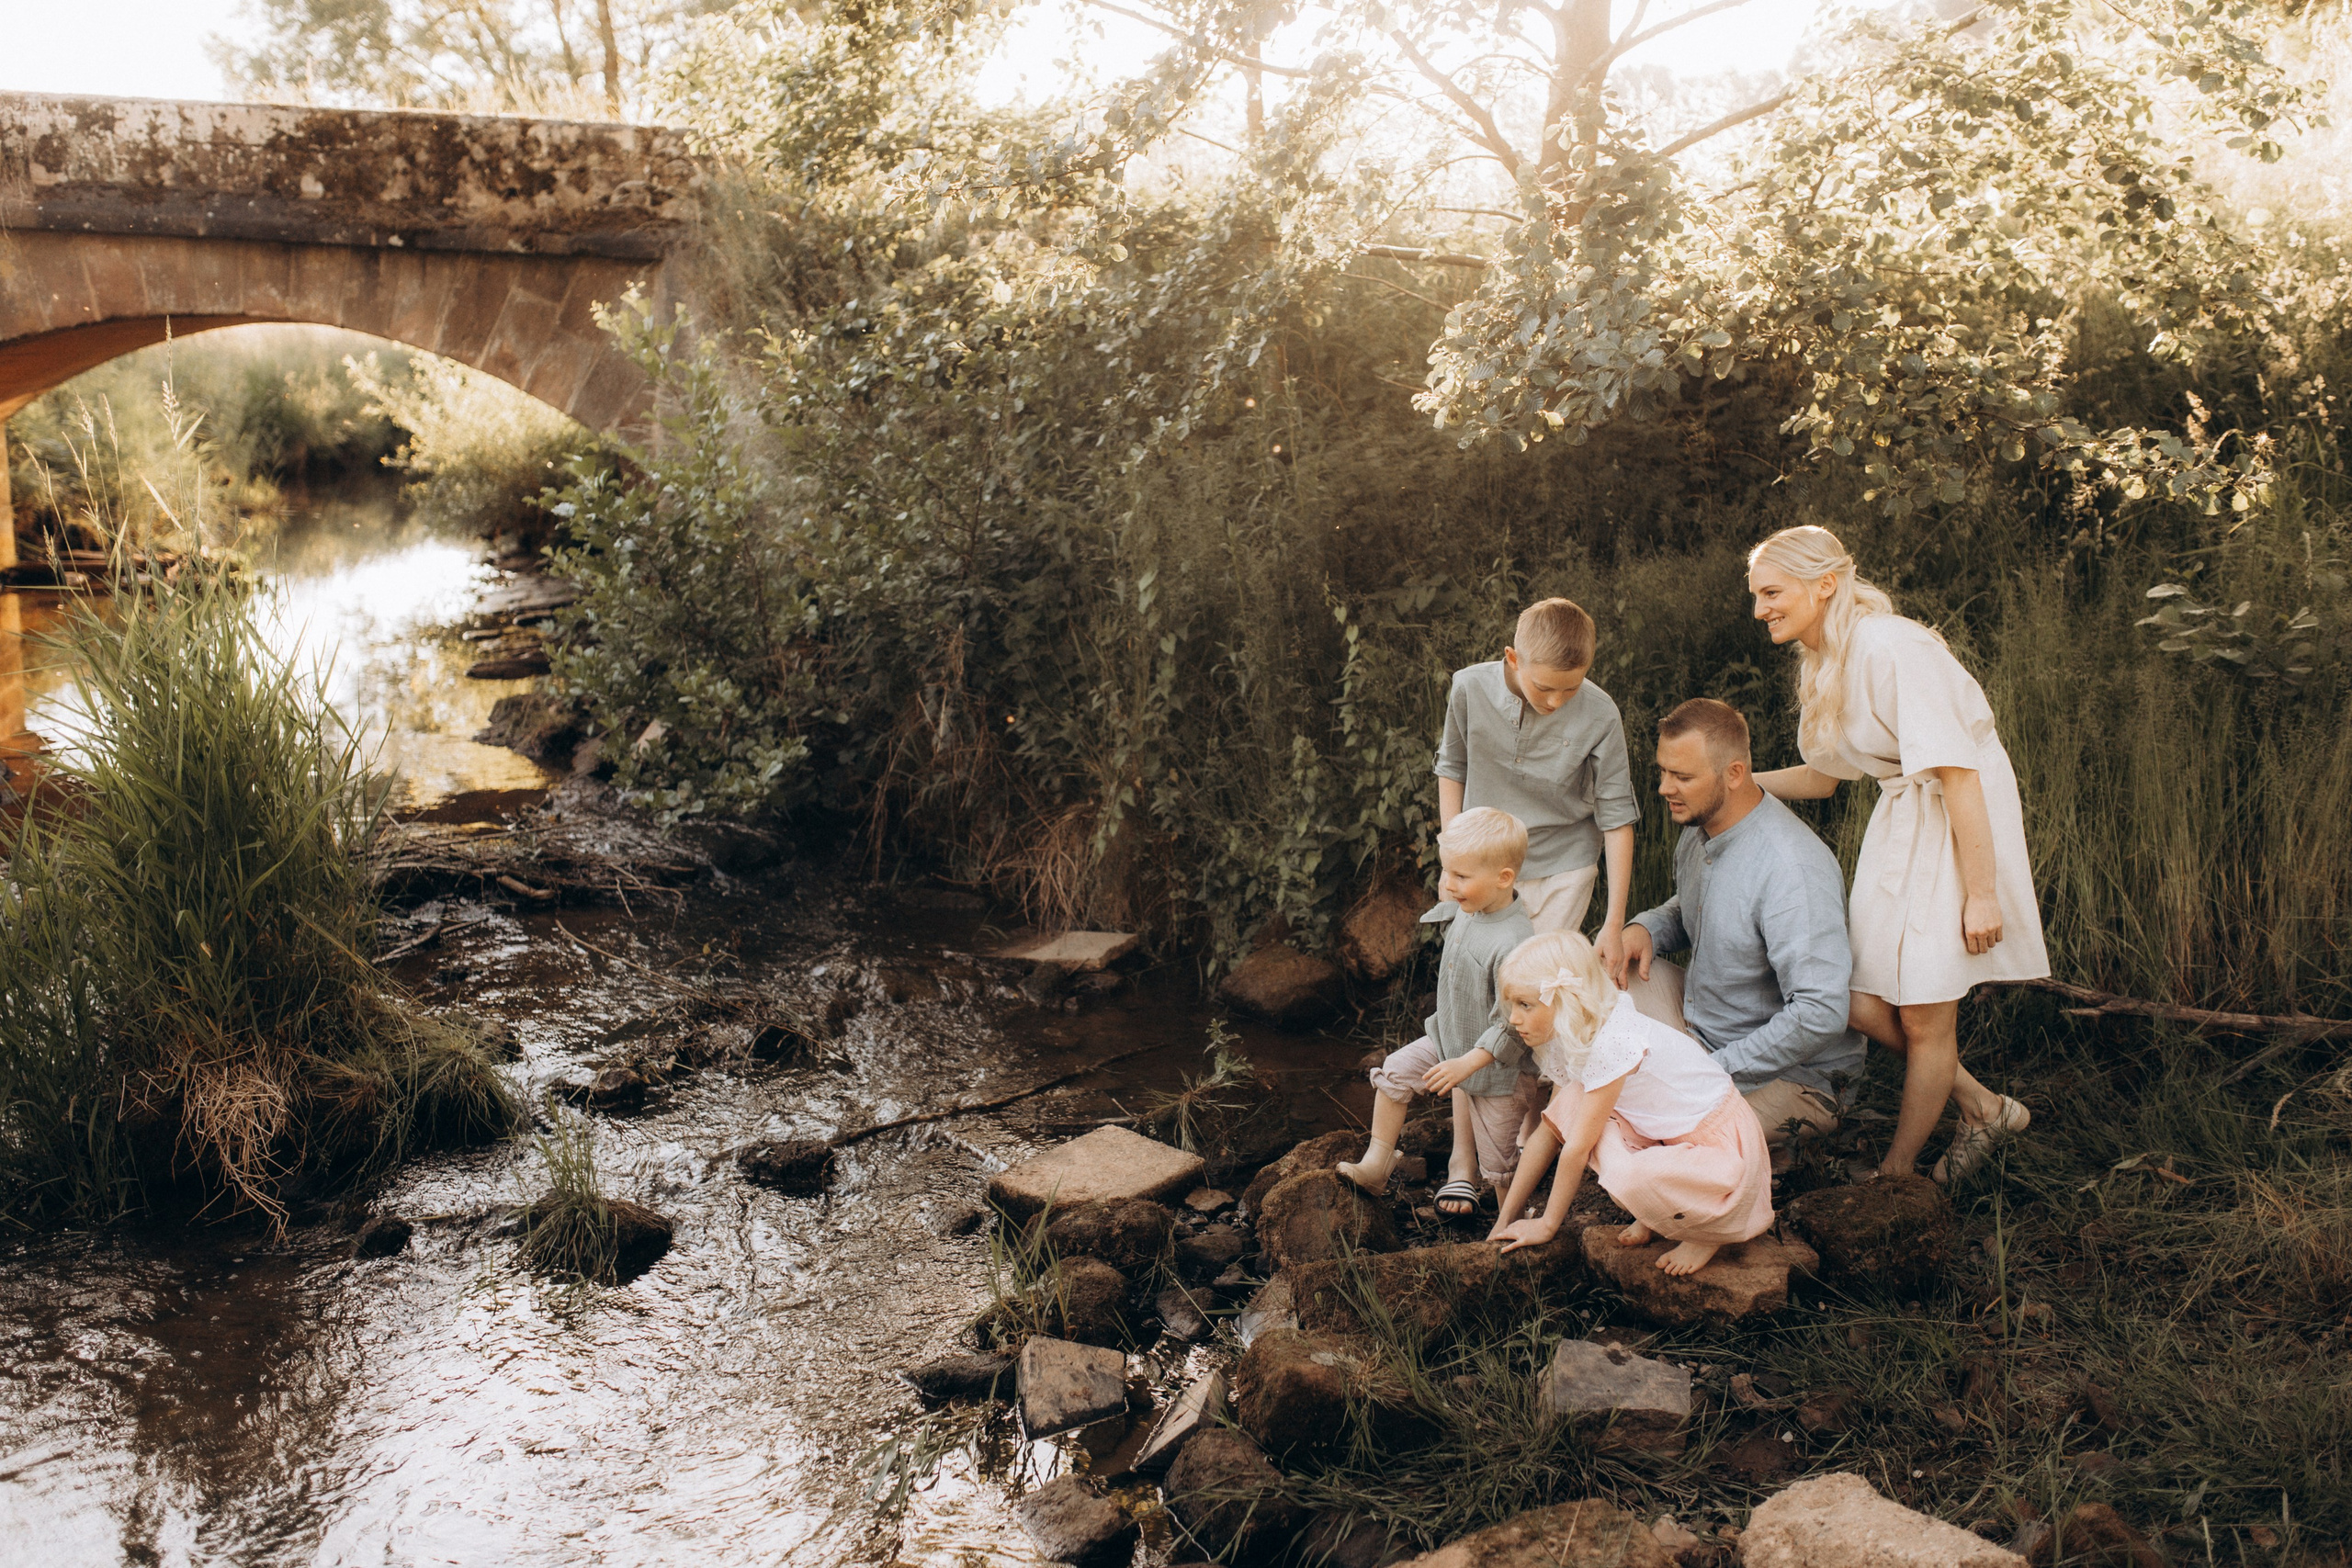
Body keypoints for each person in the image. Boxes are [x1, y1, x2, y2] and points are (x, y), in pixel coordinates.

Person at [1747, 525, 2050, 1182]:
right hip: (1903, 814)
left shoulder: (1891, 647)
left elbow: (1961, 774)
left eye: (1772, 592)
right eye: (1757, 595)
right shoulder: (1822, 663)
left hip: (1955, 813)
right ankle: (1983, 1105)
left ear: (1823, 584)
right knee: (1850, 994)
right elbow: (1822, 779)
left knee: (1926, 1008)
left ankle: (1895, 1175)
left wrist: (1982, 890)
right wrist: (1733, 784)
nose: (1760, 608)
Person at [1612, 698, 1865, 1154]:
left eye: (1683, 777)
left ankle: (1763, 1154)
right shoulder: (1699, 827)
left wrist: (1711, 1070)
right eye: (1663, 772)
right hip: (1705, 1033)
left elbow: (1822, 1010)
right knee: (1604, 982)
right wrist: (1645, 928)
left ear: (1733, 774)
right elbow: (1702, 909)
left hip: (1795, 1079)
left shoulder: (1792, 868)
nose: (1665, 788)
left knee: (1655, 1135)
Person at [1488, 931, 1774, 1275]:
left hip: (1717, 1144)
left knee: (1623, 1174)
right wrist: (1504, 1222)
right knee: (1569, 1108)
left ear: (1565, 1000)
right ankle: (1657, 1213)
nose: (1514, 1018)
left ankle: (1710, 1230)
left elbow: (1576, 1149)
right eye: (1513, 1005)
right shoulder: (1579, 1030)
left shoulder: (1613, 1042)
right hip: (1665, 1133)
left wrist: (1548, 1225)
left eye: (1525, 1005)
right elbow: (1548, 1134)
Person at [1338, 807, 1539, 1218]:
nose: (1447, 885)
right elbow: (1458, 919)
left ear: (1504, 878)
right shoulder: (1473, 907)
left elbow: (1514, 1026)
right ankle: (1377, 1163)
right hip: (1448, 1038)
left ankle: (1509, 1219)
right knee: (1394, 1071)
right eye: (1447, 872)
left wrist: (1468, 1064)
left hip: (1497, 1070)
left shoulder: (1515, 944)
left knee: (1498, 1160)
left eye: (1460, 877)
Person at [1434, 598, 1638, 967]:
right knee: (1472, 970)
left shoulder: (1602, 714)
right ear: (1513, 658)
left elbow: (1617, 817)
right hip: (1483, 863)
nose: (1557, 701)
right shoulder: (1468, 688)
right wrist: (1454, 864)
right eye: (1544, 687)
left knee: (1532, 983)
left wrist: (1613, 923)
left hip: (1564, 868)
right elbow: (1452, 768)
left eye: (1571, 689)